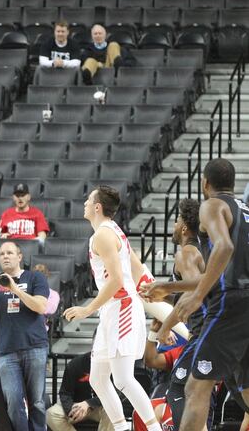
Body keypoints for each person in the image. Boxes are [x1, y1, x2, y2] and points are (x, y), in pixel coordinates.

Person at [64, 186, 162, 431]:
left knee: (123, 379)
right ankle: (121, 428)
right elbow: (137, 269)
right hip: (111, 311)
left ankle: (154, 429)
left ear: (97, 207)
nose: (85, 203)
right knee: (98, 379)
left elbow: (117, 281)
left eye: (88, 200)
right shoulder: (109, 232)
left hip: (123, 308)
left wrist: (87, 309)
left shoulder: (104, 235)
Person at [167, 159, 249, 431]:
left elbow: (223, 248)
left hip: (231, 303)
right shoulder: (246, 211)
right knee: (246, 391)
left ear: (205, 183)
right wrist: (167, 288)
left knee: (194, 387)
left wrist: (198, 295)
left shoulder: (212, 205)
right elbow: (220, 267)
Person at [140, 198, 212, 429]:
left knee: (178, 389)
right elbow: (191, 292)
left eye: (176, 220)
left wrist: (165, 326)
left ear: (183, 227)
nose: (173, 225)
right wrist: (164, 296)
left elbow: (196, 291)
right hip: (209, 329)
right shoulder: (195, 252)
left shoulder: (186, 253)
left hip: (203, 331)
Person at [0, 241, 50, 431]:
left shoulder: (34, 277)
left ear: (19, 257)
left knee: (36, 401)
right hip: (6, 351)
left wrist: (15, 289)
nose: (5, 256)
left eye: (10, 252)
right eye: (2, 253)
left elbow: (40, 306)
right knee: (13, 401)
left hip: (34, 347)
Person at [46, 353, 113, 431]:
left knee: (113, 411)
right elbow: (65, 393)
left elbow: (115, 394)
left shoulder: (112, 365)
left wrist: (88, 403)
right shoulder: (75, 364)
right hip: (76, 405)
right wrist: (71, 410)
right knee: (51, 414)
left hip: (99, 406)